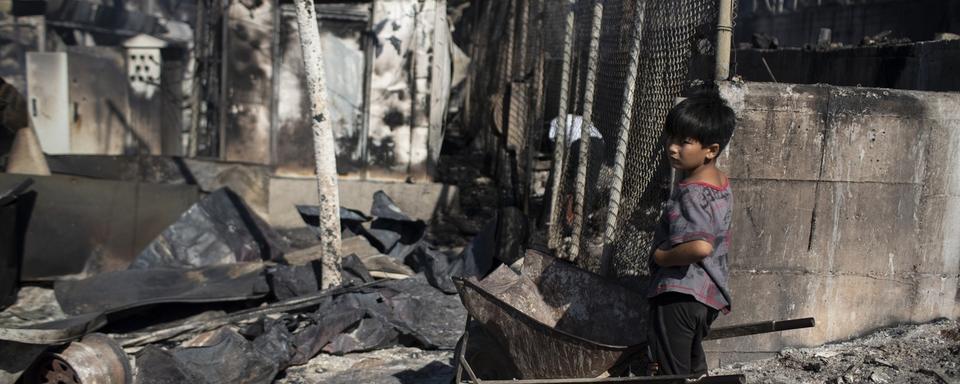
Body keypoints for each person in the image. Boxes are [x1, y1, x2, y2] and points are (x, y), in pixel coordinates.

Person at [646, 87, 736, 376]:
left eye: (684, 142)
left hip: (679, 297)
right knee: (693, 369)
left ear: (711, 150)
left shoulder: (692, 193)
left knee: (672, 372)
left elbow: (700, 247)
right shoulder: (719, 183)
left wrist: (661, 257)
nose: (672, 147)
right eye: (670, 138)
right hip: (705, 297)